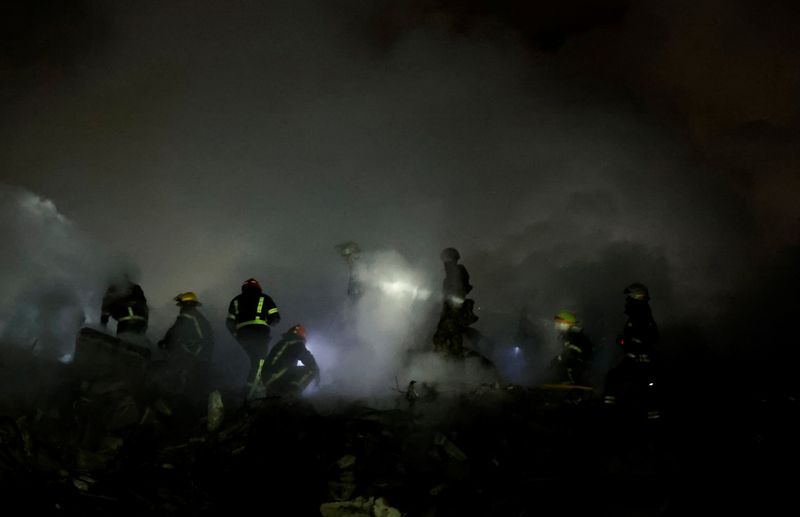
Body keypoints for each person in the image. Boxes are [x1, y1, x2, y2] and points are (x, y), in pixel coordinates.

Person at [603, 282, 662, 419]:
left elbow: (647, 339)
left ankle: (608, 414)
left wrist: (623, 341)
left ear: (637, 297)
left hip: (639, 361)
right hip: (639, 360)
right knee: (644, 391)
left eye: (629, 297)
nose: (627, 301)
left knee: (614, 379)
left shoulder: (641, 317)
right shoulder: (641, 315)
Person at [226, 278, 280, 399]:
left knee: (248, 362)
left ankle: (256, 388)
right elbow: (275, 318)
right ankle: (249, 394)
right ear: (258, 288)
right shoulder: (265, 298)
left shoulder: (236, 300)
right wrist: (267, 324)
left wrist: (235, 335)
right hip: (260, 334)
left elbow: (229, 322)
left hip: (242, 336)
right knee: (260, 363)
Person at [157, 292, 214, 399]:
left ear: (186, 304)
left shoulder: (188, 315)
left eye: (181, 304)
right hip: (203, 355)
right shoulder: (198, 316)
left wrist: (164, 342)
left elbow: (174, 331)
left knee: (179, 372)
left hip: (195, 353)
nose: (180, 308)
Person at [433, 248, 478, 357]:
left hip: (454, 312)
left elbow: (461, 290)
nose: (445, 263)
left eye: (447, 260)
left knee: (446, 339)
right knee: (445, 339)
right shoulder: (448, 279)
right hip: (450, 311)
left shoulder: (458, 271)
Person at [262, 324, 320, 397]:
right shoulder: (296, 343)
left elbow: (286, 363)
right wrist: (317, 380)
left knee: (297, 366)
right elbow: (311, 363)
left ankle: (278, 393)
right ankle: (292, 394)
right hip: (275, 376)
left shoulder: (283, 343)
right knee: (312, 370)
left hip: (268, 378)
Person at [550, 310, 594, 386]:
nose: (556, 326)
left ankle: (572, 382)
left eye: (559, 323)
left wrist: (559, 359)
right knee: (557, 363)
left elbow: (573, 353)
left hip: (581, 369)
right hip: (579, 367)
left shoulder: (575, 336)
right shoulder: (568, 336)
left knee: (562, 362)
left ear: (566, 324)